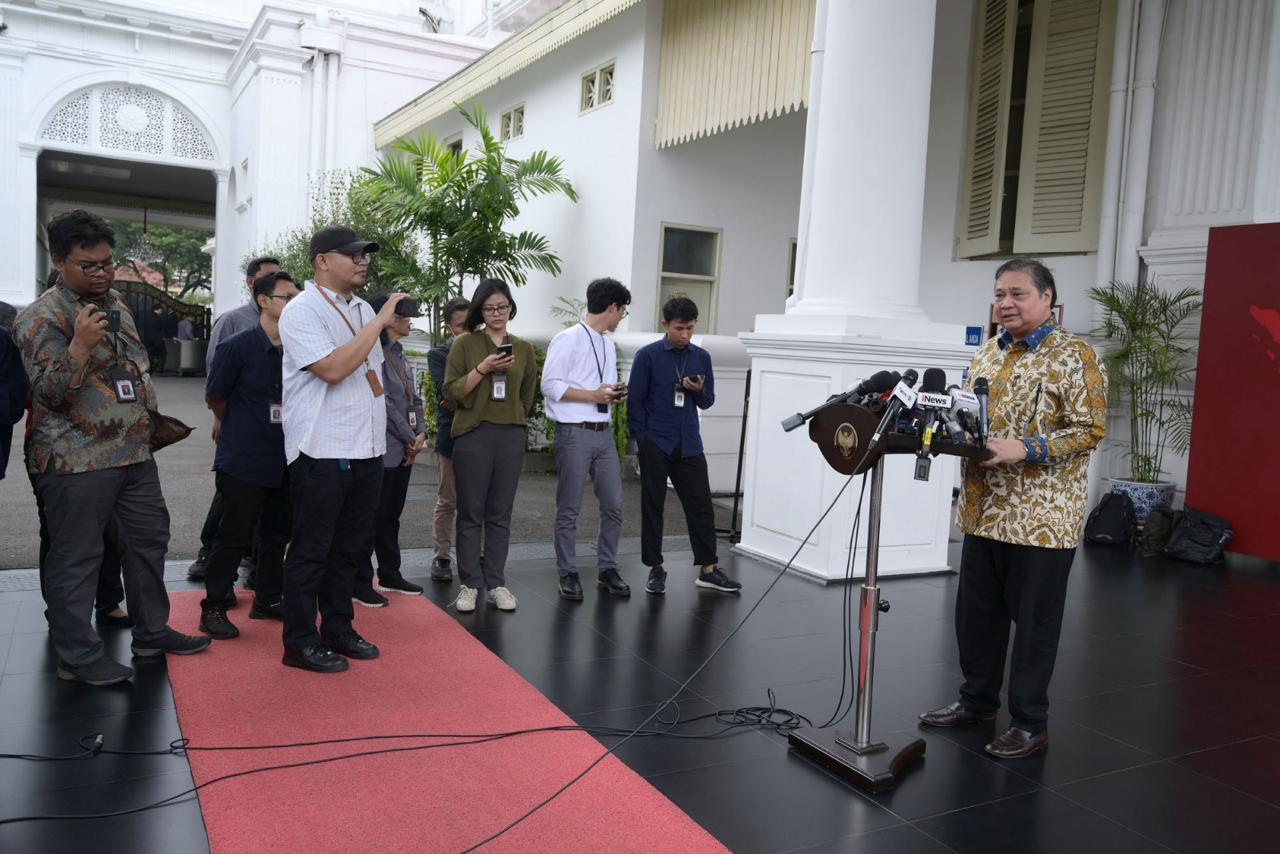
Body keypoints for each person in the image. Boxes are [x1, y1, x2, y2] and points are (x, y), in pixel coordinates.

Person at [917, 258, 1108, 760]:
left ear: (1047, 299)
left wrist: (1025, 448)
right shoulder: (983, 354)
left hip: (1041, 519)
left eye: (1018, 294)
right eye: (1000, 293)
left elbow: (1089, 430)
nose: (1006, 303)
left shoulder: (1077, 356)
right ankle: (976, 702)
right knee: (976, 619)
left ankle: (1029, 722)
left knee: (1034, 626)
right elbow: (968, 417)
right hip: (983, 512)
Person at [13, 209, 209, 686]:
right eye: (89, 265)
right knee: (77, 557)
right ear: (59, 261)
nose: (102, 273)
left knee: (148, 542)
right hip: (74, 460)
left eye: (107, 263)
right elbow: (49, 393)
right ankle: (77, 656)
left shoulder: (117, 300)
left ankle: (152, 630)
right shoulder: (40, 318)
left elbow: (133, 369)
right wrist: (78, 347)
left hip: (132, 452)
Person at [277, 224, 406, 673]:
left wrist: (374, 319)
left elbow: (371, 377)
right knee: (312, 550)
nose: (363, 261)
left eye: (366, 254)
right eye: (353, 254)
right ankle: (298, 641)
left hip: (367, 448)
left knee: (349, 550)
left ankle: (338, 627)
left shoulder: (359, 307)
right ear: (322, 261)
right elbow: (332, 369)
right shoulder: (302, 310)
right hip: (322, 449)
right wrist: (380, 320)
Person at [197, 271, 300, 639]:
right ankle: (213, 606)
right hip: (243, 455)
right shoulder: (237, 346)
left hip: (285, 455)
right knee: (234, 535)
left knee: (276, 534)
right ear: (264, 300)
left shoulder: (296, 350)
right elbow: (216, 396)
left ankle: (268, 599)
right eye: (287, 296)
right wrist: (235, 423)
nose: (294, 302)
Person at [628, 296, 741, 596]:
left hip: (689, 441)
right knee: (653, 506)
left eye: (690, 328)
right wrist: (643, 440)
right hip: (656, 441)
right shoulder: (647, 356)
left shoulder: (701, 357)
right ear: (665, 324)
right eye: (679, 328)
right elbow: (635, 403)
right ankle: (655, 568)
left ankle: (708, 569)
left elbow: (708, 400)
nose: (685, 334)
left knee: (701, 506)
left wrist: (700, 390)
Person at [443, 278, 537, 613]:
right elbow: (451, 392)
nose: (497, 313)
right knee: (471, 512)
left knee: (500, 513)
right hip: (474, 432)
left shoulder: (523, 348)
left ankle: (496, 582)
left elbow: (527, 396)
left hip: (509, 435)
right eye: (489, 308)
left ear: (511, 306)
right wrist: (483, 368)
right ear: (480, 310)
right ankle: (470, 583)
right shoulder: (466, 343)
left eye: (502, 306)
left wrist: (513, 417)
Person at [188, 256, 281, 581]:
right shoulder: (233, 322)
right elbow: (216, 379)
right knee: (232, 499)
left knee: (268, 508)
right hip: (238, 425)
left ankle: (259, 571)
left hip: (275, 434)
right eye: (270, 278)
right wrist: (221, 418)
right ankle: (209, 554)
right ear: (254, 286)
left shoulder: (292, 327)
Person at [541, 277, 631, 601]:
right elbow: (550, 385)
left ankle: (607, 567)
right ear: (611, 307)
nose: (622, 317)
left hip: (602, 433)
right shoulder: (567, 339)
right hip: (574, 432)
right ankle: (568, 571)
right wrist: (592, 394)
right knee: (569, 508)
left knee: (614, 505)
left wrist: (610, 395)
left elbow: (600, 390)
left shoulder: (607, 343)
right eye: (622, 311)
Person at [352, 293, 428, 606]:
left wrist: (420, 431)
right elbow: (381, 402)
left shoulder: (398, 352)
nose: (410, 320)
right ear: (388, 318)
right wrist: (409, 434)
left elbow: (413, 398)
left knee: (391, 516)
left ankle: (389, 573)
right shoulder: (373, 352)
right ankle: (359, 581)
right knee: (369, 518)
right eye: (404, 315)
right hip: (382, 448)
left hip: (404, 447)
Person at [425, 297, 469, 583]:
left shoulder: (490, 350)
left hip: (482, 435)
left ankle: (477, 555)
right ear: (449, 327)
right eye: (461, 326)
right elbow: (448, 395)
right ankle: (442, 555)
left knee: (478, 501)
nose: (468, 330)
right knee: (448, 499)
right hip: (451, 435)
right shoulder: (439, 354)